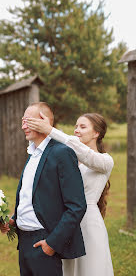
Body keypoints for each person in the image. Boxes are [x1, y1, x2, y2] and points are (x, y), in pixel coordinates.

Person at [0, 102, 87, 276]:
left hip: (44, 242)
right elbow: (31, 196)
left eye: (28, 121)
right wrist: (14, 220)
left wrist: (52, 244)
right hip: (23, 241)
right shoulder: (32, 153)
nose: (22, 126)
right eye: (22, 121)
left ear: (43, 121)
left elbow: (77, 205)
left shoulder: (62, 153)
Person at [26, 112, 114, 276]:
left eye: (82, 127)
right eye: (75, 126)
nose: (76, 130)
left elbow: (86, 155)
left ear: (97, 133)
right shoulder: (70, 158)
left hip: (89, 223)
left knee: (91, 268)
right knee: (69, 270)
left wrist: (51, 130)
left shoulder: (105, 161)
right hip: (68, 222)